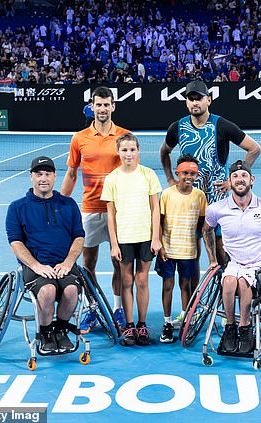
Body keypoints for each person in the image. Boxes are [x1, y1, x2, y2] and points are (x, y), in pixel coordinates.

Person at [160, 79, 261, 293]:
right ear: (187, 102)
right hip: (189, 202)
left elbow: (254, 149)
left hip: (217, 201)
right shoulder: (177, 127)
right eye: (191, 99)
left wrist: (232, 180)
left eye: (199, 98)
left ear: (209, 100)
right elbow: (164, 152)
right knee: (192, 256)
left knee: (221, 252)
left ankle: (225, 299)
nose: (195, 102)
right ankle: (195, 305)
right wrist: (170, 179)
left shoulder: (222, 125)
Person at [203, 160, 261, 354]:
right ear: (229, 181)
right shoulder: (217, 209)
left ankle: (245, 328)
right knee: (228, 283)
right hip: (233, 264)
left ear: (252, 180)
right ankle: (230, 327)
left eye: (244, 176)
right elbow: (207, 230)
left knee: (245, 284)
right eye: (235, 176)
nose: (240, 179)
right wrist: (212, 259)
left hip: (258, 266)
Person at [61, 86, 130, 332]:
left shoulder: (124, 137)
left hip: (117, 211)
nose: (102, 109)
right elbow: (71, 173)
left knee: (119, 261)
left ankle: (119, 309)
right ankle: (92, 308)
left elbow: (131, 174)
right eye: (97, 105)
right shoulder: (79, 138)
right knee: (88, 262)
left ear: (113, 106)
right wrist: (60, 202)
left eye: (106, 104)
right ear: (92, 106)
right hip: (89, 208)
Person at [5, 156, 85, 353]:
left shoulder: (69, 204)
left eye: (47, 174)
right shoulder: (17, 207)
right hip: (36, 267)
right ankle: (46, 332)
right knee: (48, 291)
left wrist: (68, 262)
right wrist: (36, 266)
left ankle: (61, 329)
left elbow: (79, 237)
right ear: (31, 177)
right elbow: (15, 243)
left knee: (71, 291)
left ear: (55, 177)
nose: (43, 178)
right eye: (39, 174)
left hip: (63, 265)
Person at [101, 132, 162, 346]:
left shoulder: (148, 174)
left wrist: (156, 238)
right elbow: (111, 213)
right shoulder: (112, 178)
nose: (128, 154)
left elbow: (156, 208)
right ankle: (129, 326)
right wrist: (114, 243)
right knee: (126, 280)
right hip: (124, 238)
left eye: (132, 149)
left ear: (138, 151)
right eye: (124, 150)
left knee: (142, 280)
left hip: (145, 237)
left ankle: (142, 324)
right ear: (118, 152)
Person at [156, 154, 207, 343]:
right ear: (178, 173)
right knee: (167, 285)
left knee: (186, 286)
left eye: (193, 173)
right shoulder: (167, 194)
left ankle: (186, 319)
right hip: (168, 250)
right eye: (185, 172)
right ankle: (167, 323)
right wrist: (160, 245)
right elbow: (159, 222)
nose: (189, 176)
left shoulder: (200, 196)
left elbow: (201, 225)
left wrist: (198, 248)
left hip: (188, 251)